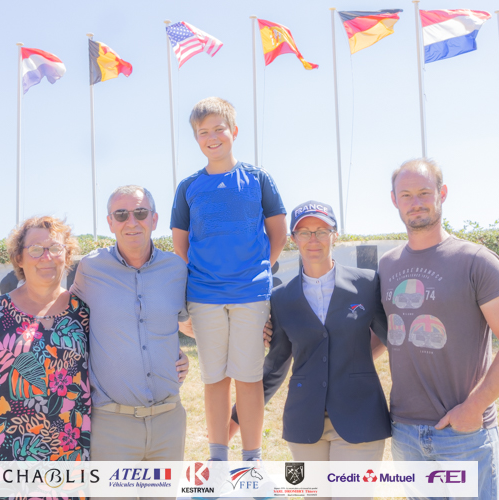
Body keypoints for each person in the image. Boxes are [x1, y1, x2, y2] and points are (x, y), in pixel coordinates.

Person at [379, 158, 499, 499]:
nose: (415, 202)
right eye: (406, 195)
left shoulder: (476, 261)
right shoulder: (387, 265)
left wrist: (474, 407)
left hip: (463, 434)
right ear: (394, 200)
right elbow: (381, 333)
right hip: (405, 433)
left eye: (424, 192)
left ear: (442, 193)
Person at [231, 201, 390, 500]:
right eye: (304, 232)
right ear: (293, 238)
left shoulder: (367, 284)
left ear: (335, 235)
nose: (313, 239)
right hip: (304, 423)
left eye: (321, 231)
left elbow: (394, 340)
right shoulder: (280, 298)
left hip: (361, 418)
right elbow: (274, 368)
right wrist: (232, 424)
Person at [171, 97, 287, 463]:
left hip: (250, 294)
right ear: (196, 139)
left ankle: (251, 461)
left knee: (249, 378)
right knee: (215, 379)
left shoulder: (258, 179)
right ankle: (218, 460)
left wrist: (257, 272)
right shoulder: (188, 187)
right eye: (203, 132)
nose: (212, 137)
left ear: (233, 131)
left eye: (219, 129)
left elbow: (279, 234)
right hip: (204, 296)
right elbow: (180, 247)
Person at [0, 216, 91, 500]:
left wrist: (174, 359)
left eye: (55, 248)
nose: (46, 257)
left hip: (68, 457)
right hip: (3, 456)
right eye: (36, 249)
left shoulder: (83, 313)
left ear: (67, 255)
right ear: (19, 258)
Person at [69, 185, 189, 499]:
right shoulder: (90, 269)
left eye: (140, 213)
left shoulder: (177, 269)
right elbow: (63, 321)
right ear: (110, 222)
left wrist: (181, 355)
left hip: (168, 423)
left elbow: (194, 323)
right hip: (112, 426)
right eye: (121, 215)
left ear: (154, 219)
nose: (131, 222)